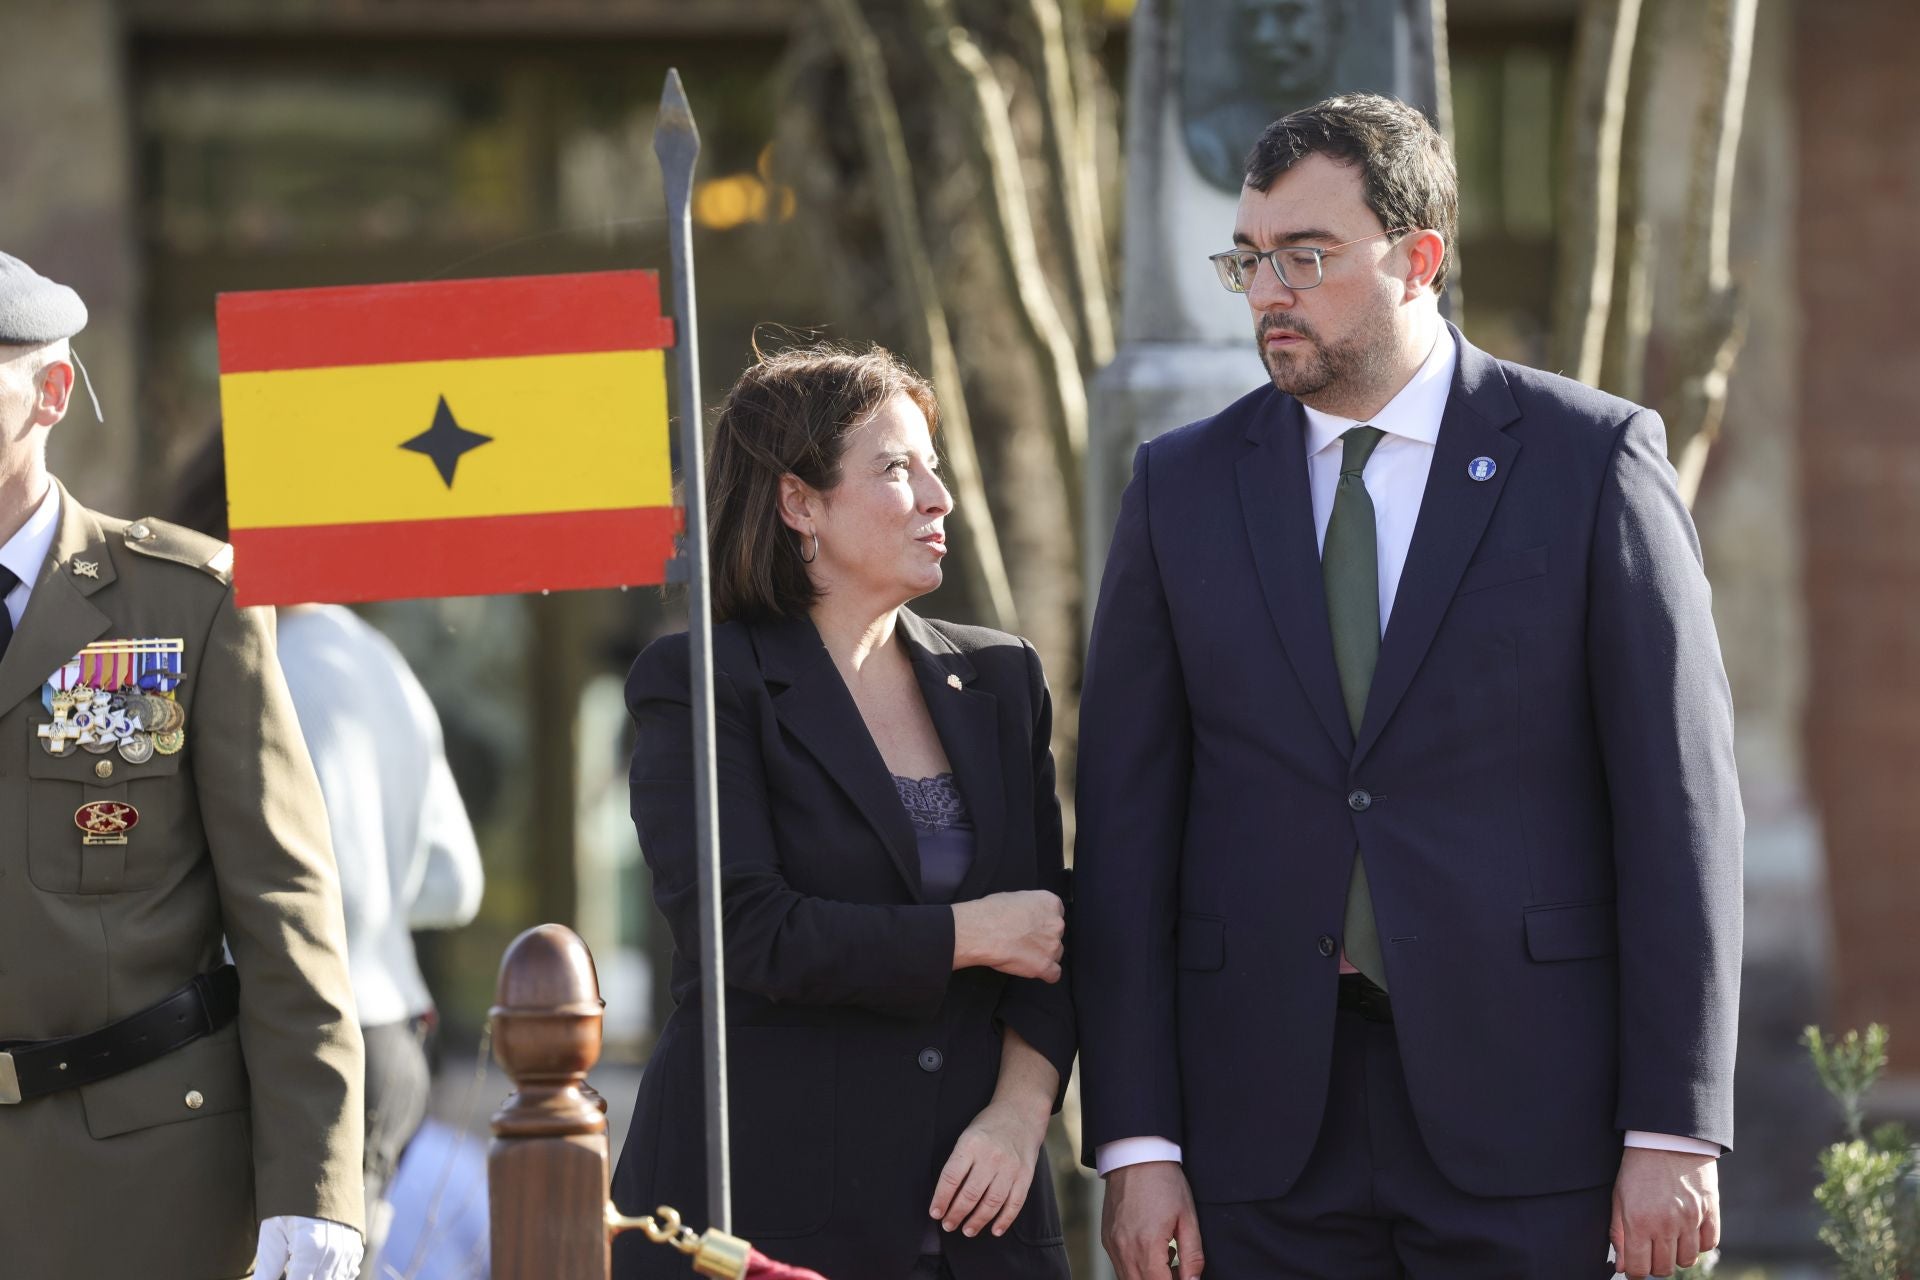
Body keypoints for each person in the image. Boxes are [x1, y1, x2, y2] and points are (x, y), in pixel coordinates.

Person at [1074, 95, 1742, 1280]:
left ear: (1419, 257)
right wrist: (1138, 1135)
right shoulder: (1177, 489)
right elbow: (1127, 829)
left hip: (1535, 1115)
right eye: (1251, 260)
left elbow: (1681, 807)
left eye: (1307, 257)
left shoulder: (1593, 461)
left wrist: (1673, 1123)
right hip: (1258, 1131)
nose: (1269, 290)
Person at [610, 344, 1075, 1280]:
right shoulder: (700, 682)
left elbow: (1054, 939)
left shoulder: (1002, 678)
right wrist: (965, 932)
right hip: (769, 1212)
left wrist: (1021, 1115)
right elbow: (746, 933)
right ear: (799, 504)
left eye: (932, 465)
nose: (938, 497)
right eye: (899, 469)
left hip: (979, 1209)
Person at [0, 250, 367, 1278]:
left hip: (139, 1181)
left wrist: (314, 1183)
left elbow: (285, 910)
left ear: (50, 391)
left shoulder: (186, 603)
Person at [167, 429, 488, 1252]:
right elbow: (456, 883)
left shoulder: (248, 658)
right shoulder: (376, 656)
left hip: (286, 1051)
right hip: (397, 1040)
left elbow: (274, 895)